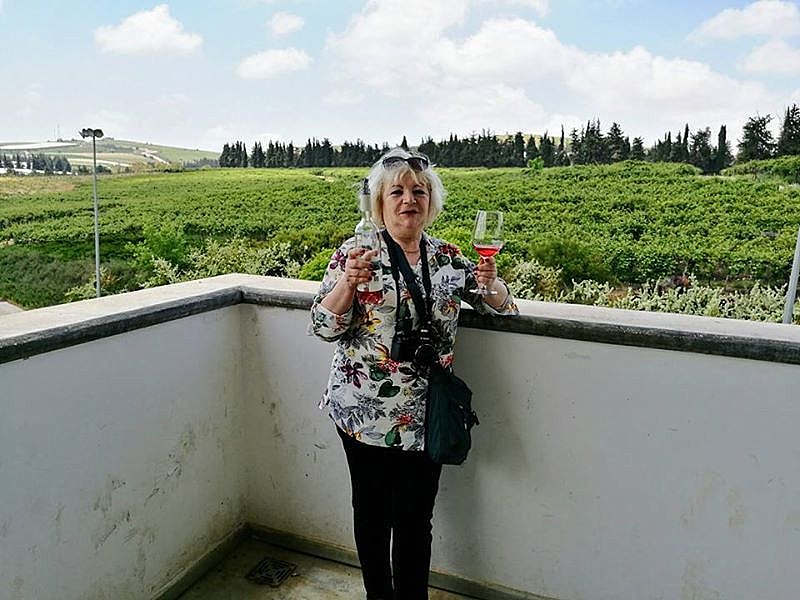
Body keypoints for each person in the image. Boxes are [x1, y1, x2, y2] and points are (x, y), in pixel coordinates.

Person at [310, 147, 518, 599]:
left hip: (427, 415)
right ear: (379, 202)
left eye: (419, 191)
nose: (409, 199)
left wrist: (492, 282)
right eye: (397, 191)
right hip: (364, 413)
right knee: (371, 515)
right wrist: (347, 282)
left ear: (431, 202)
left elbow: (501, 306)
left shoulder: (447, 257)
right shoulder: (355, 253)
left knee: (415, 518)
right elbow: (323, 327)